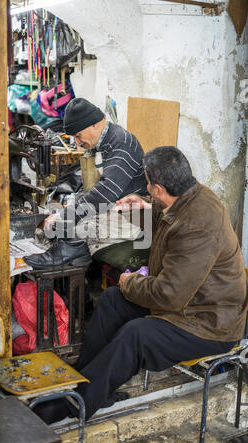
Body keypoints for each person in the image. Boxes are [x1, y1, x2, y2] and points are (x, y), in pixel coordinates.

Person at [33, 146, 248, 424]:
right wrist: (143, 209)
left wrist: (130, 281)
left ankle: (76, 406)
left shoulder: (198, 225)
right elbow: (167, 223)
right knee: (113, 300)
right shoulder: (189, 196)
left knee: (137, 333)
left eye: (148, 185)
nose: (146, 188)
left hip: (210, 323)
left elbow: (169, 295)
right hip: (189, 304)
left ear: (159, 187)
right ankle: (87, 384)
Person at [24, 98, 148, 270]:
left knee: (72, 226)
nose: (77, 142)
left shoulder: (121, 144)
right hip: (113, 208)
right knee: (56, 222)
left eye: (78, 136)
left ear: (95, 125)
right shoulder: (101, 144)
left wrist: (64, 216)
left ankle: (72, 256)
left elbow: (105, 193)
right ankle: (72, 255)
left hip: (135, 218)